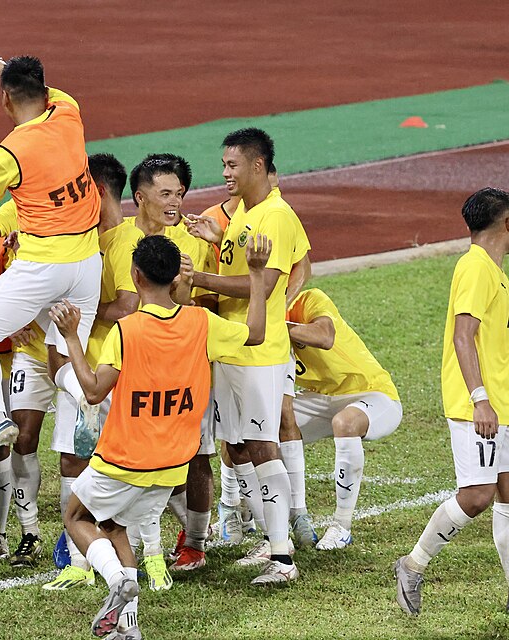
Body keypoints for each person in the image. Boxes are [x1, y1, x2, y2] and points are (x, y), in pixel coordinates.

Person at [54, 233, 270, 639]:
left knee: (77, 517)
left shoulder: (126, 330)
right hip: (174, 466)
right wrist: (256, 274)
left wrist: (70, 338)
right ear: (175, 278)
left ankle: (117, 580)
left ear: (136, 276)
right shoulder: (201, 322)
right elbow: (256, 333)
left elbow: (94, 390)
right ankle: (128, 626)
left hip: (123, 459)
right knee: (116, 527)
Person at [394, 187, 509, 617]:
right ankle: (412, 565)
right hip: (478, 405)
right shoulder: (474, 267)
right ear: (508, 222)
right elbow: (462, 335)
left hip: (508, 403)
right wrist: (480, 400)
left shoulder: (496, 271)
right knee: (476, 496)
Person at [0, 47, 101, 469]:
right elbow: (34, 90)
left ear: (4, 99)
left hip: (42, 265)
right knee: (61, 357)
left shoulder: (7, 154)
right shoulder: (69, 110)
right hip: (88, 263)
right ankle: (85, 398)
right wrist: (3, 67)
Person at [185, 127, 300, 584]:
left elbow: (264, 285)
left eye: (232, 165)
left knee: (260, 445)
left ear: (257, 165)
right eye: (224, 165)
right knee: (237, 447)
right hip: (234, 347)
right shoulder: (244, 216)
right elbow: (241, 268)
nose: (225, 172)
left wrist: (198, 280)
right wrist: (218, 240)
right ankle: (274, 541)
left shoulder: (275, 216)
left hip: (260, 352)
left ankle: (283, 559)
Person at [43, 152, 143, 590]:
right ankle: (78, 552)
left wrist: (80, 314)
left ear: (98, 191)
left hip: (105, 372)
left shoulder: (124, 241)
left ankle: (112, 556)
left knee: (106, 463)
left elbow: (128, 304)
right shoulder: (89, 239)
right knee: (71, 456)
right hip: (79, 367)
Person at [124, 155, 217, 579]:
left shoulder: (196, 241)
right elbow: (106, 304)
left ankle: (195, 542)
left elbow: (212, 307)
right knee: (136, 455)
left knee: (195, 454)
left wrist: (189, 293)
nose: (175, 201)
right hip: (132, 369)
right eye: (165, 193)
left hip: (186, 368)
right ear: (140, 197)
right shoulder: (114, 241)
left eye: (179, 193)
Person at [285, 288, 403, 549]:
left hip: (373, 393)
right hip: (319, 397)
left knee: (345, 422)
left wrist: (276, 327)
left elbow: (325, 336)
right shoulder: (253, 316)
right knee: (271, 426)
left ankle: (341, 525)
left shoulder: (308, 300)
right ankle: (290, 517)